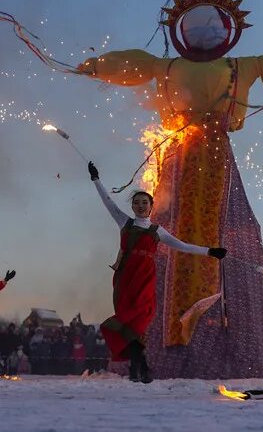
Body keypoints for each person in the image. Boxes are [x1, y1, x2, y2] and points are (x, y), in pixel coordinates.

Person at [89, 160, 226, 383]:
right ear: (132, 207)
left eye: (145, 202)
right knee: (126, 321)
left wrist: (211, 251)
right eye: (137, 203)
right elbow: (108, 202)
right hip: (125, 279)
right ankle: (139, 366)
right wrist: (96, 179)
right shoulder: (124, 222)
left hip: (145, 279)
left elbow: (182, 245)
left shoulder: (157, 230)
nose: (141, 206)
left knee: (140, 321)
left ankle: (138, 366)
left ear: (151, 206)